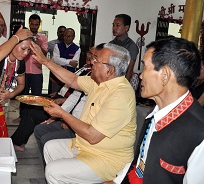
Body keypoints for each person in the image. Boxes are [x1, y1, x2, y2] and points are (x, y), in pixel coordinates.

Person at [30, 42, 136, 183]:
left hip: (107, 159)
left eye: (97, 60)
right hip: (85, 147)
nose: (92, 62)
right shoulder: (99, 82)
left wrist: (62, 114)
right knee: (50, 147)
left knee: (53, 171)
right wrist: (45, 61)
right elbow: (72, 79)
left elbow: (92, 136)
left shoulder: (120, 95)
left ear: (109, 70)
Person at [106, 37, 204, 184]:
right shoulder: (158, 111)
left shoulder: (198, 132)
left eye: (145, 67)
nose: (140, 75)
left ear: (164, 75)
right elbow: (141, 161)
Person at [11, 46, 95, 152]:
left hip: (66, 105)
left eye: (94, 55)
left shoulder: (94, 78)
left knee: (33, 112)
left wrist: (61, 107)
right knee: (31, 105)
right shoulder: (84, 69)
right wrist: (59, 93)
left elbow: (79, 97)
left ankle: (16, 142)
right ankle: (17, 141)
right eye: (89, 53)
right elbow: (72, 88)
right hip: (61, 98)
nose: (90, 57)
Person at [34, 45, 104, 157]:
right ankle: (50, 166)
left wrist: (68, 120)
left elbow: (91, 126)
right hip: (72, 120)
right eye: (91, 55)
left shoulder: (109, 88)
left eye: (95, 57)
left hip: (82, 129)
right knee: (39, 129)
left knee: (47, 139)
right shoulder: (88, 74)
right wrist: (58, 116)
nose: (91, 60)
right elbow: (74, 89)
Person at [12, 14, 48, 123]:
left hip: (37, 72)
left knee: (37, 97)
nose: (34, 27)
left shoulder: (43, 38)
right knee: (23, 95)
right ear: (29, 23)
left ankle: (35, 118)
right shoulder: (24, 36)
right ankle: (22, 117)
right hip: (25, 71)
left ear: (39, 25)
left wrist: (39, 45)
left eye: (36, 25)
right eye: (32, 24)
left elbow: (45, 54)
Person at [50, 28, 81, 93]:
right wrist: (69, 62)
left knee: (66, 97)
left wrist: (61, 61)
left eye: (69, 36)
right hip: (56, 76)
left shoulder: (77, 49)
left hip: (69, 78)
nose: (67, 38)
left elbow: (74, 64)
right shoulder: (57, 46)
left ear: (73, 37)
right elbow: (55, 59)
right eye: (65, 36)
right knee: (54, 95)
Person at [110, 14, 138, 81]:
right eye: (113, 25)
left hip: (121, 82)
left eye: (117, 25)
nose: (114, 28)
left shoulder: (131, 46)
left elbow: (129, 71)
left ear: (126, 28)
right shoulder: (110, 44)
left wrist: (123, 88)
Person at [47, 25, 66, 94]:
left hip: (65, 72)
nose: (62, 33)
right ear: (57, 33)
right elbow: (44, 53)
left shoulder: (68, 45)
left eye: (64, 32)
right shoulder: (51, 43)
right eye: (60, 32)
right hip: (54, 71)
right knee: (53, 92)